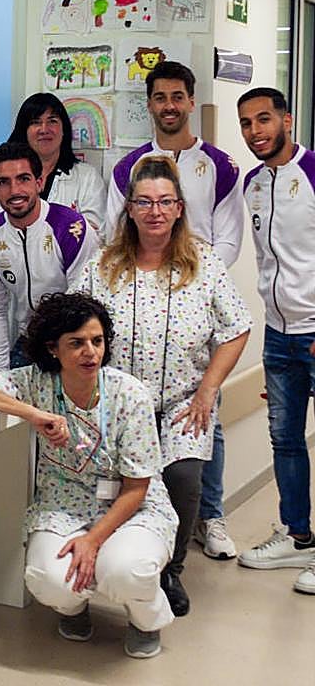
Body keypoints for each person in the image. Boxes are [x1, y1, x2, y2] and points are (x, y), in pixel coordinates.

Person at [0, 292, 178, 659]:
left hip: (131, 507)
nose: (90, 352)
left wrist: (93, 541)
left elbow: (138, 487)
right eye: (76, 343)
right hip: (64, 505)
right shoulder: (37, 382)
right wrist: (30, 413)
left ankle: (146, 619)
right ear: (53, 349)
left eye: (97, 341)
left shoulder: (129, 394)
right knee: (47, 580)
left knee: (124, 571)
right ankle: (73, 609)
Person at [73, 155, 249, 616]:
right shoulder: (103, 266)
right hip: (116, 405)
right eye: (145, 202)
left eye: (165, 202)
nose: (155, 211)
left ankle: (169, 570)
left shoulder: (204, 265)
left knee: (183, 478)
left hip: (181, 404)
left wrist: (208, 390)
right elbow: (75, 325)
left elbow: (236, 329)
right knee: (112, 487)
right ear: (129, 208)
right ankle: (103, 561)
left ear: (178, 209)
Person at [106, 60, 244, 561]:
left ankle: (211, 517)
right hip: (143, 299)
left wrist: (192, 281)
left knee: (204, 414)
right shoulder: (128, 168)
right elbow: (111, 229)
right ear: (150, 105)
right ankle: (140, 536)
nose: (169, 106)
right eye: (160, 97)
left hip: (195, 297)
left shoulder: (220, 165)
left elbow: (229, 235)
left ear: (190, 102)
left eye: (177, 97)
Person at [236, 86, 315, 593]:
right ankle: (299, 537)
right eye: (246, 123)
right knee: (285, 441)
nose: (255, 131)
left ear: (286, 119)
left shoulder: (312, 173)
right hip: (278, 335)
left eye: (264, 119)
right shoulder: (252, 184)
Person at [0, 142, 97, 370]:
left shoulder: (72, 230)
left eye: (23, 179)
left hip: (75, 342)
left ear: (39, 182)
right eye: (4, 182)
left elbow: (81, 305)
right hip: (28, 340)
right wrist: (0, 374)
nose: (15, 191)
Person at [0, 92, 107, 238]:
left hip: (71, 261)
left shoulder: (87, 177)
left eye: (52, 121)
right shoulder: (1, 175)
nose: (44, 129)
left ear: (64, 130)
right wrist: (65, 227)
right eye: (35, 122)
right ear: (24, 131)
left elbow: (93, 234)